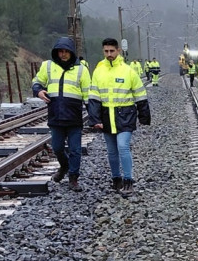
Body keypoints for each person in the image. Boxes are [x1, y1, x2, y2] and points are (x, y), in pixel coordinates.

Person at [33, 37, 97, 191]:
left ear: (71, 53)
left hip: (74, 117)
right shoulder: (48, 66)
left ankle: (73, 178)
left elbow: (88, 96)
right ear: (56, 52)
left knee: (75, 150)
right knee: (57, 147)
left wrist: (94, 118)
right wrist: (38, 91)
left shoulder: (81, 69)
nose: (63, 54)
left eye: (66, 51)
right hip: (55, 115)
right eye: (60, 51)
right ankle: (64, 166)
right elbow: (37, 81)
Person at [90, 38, 151, 195]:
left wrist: (144, 116)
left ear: (118, 51)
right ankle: (116, 179)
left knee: (123, 146)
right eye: (106, 51)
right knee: (111, 150)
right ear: (103, 51)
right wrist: (95, 119)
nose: (109, 54)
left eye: (112, 51)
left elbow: (140, 94)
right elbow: (94, 96)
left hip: (125, 115)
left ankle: (128, 180)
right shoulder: (98, 71)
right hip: (106, 116)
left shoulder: (128, 71)